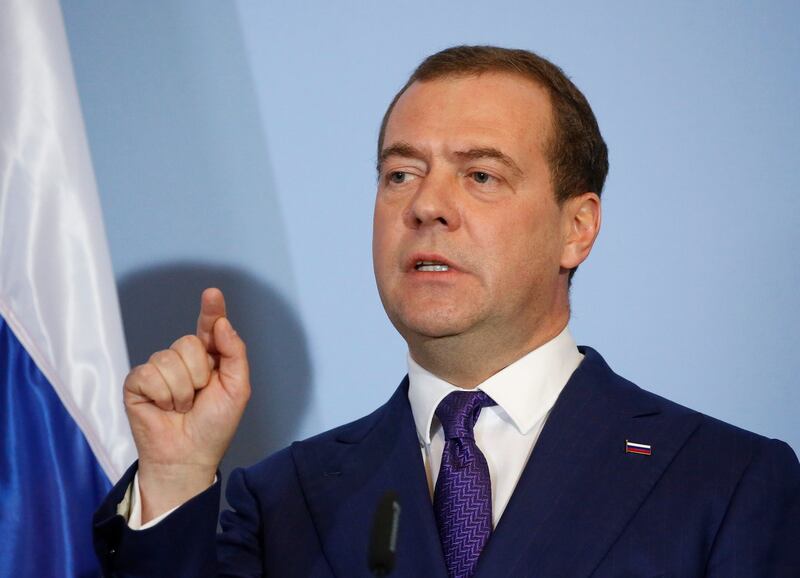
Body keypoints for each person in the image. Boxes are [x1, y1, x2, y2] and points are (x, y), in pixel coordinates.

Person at [93, 46, 800, 577]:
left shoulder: (726, 482)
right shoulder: (283, 499)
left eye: (481, 175)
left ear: (576, 228)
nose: (426, 205)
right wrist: (177, 477)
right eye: (400, 174)